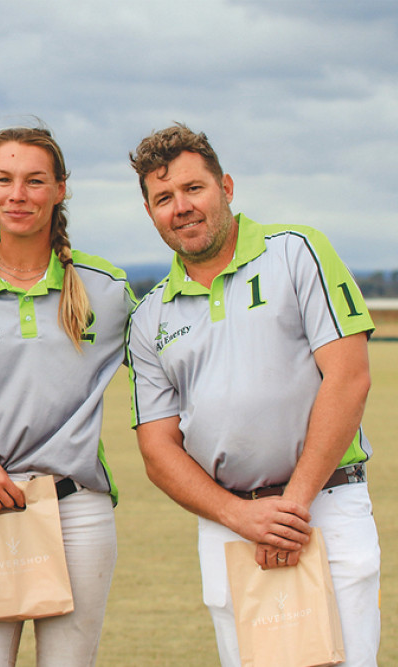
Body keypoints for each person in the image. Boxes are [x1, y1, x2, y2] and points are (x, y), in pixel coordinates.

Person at [126, 123, 380, 665]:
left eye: (194, 188)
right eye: (164, 198)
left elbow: (349, 377)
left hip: (326, 505)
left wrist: (291, 507)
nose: (181, 207)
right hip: (228, 524)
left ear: (227, 187)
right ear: (151, 213)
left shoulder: (297, 252)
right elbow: (157, 448)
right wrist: (240, 517)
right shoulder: (149, 316)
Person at [0, 126, 134, 666]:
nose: (19, 195)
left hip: (78, 507)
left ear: (60, 188)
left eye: (35, 181)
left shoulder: (107, 291)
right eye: (5, 180)